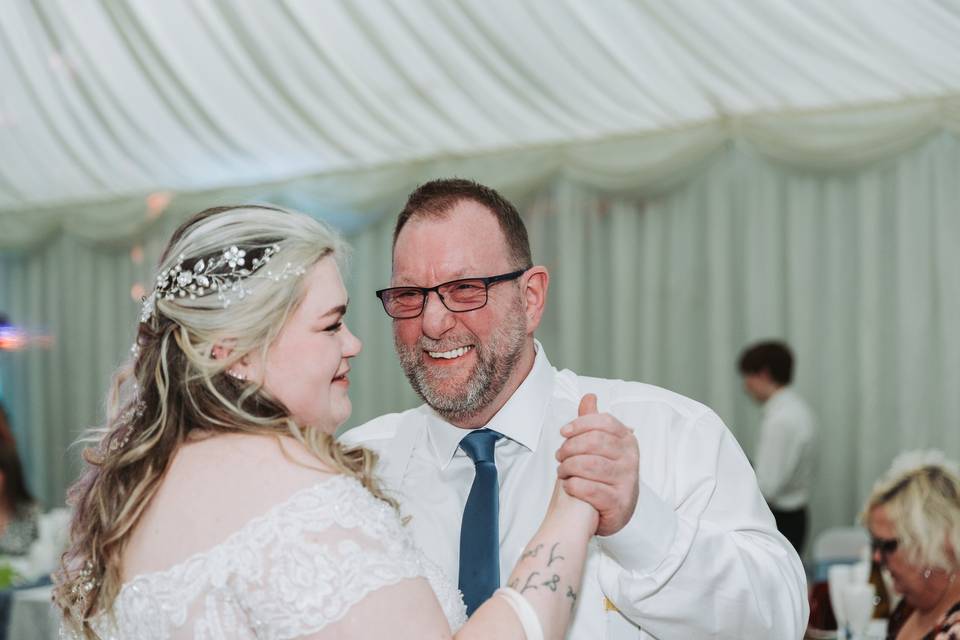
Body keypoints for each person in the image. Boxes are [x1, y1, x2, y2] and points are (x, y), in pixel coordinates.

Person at [52, 205, 598, 639]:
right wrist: (571, 512)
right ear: (238, 353)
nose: (354, 344)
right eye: (331, 325)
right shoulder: (302, 496)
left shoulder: (137, 491)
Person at [342, 178, 809, 639]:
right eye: (408, 295)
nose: (432, 321)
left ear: (530, 298)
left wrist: (640, 522)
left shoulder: (670, 432)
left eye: (465, 288)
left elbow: (781, 619)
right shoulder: (356, 467)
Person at [862, 450, 960, 640]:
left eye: (887, 546)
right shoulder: (910, 604)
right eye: (875, 544)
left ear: (931, 542)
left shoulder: (954, 628)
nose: (876, 556)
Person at [738, 340, 817, 554]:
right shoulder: (797, 408)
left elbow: (767, 486)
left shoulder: (780, 420)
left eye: (748, 377)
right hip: (795, 515)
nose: (746, 386)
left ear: (764, 374)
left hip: (782, 519)